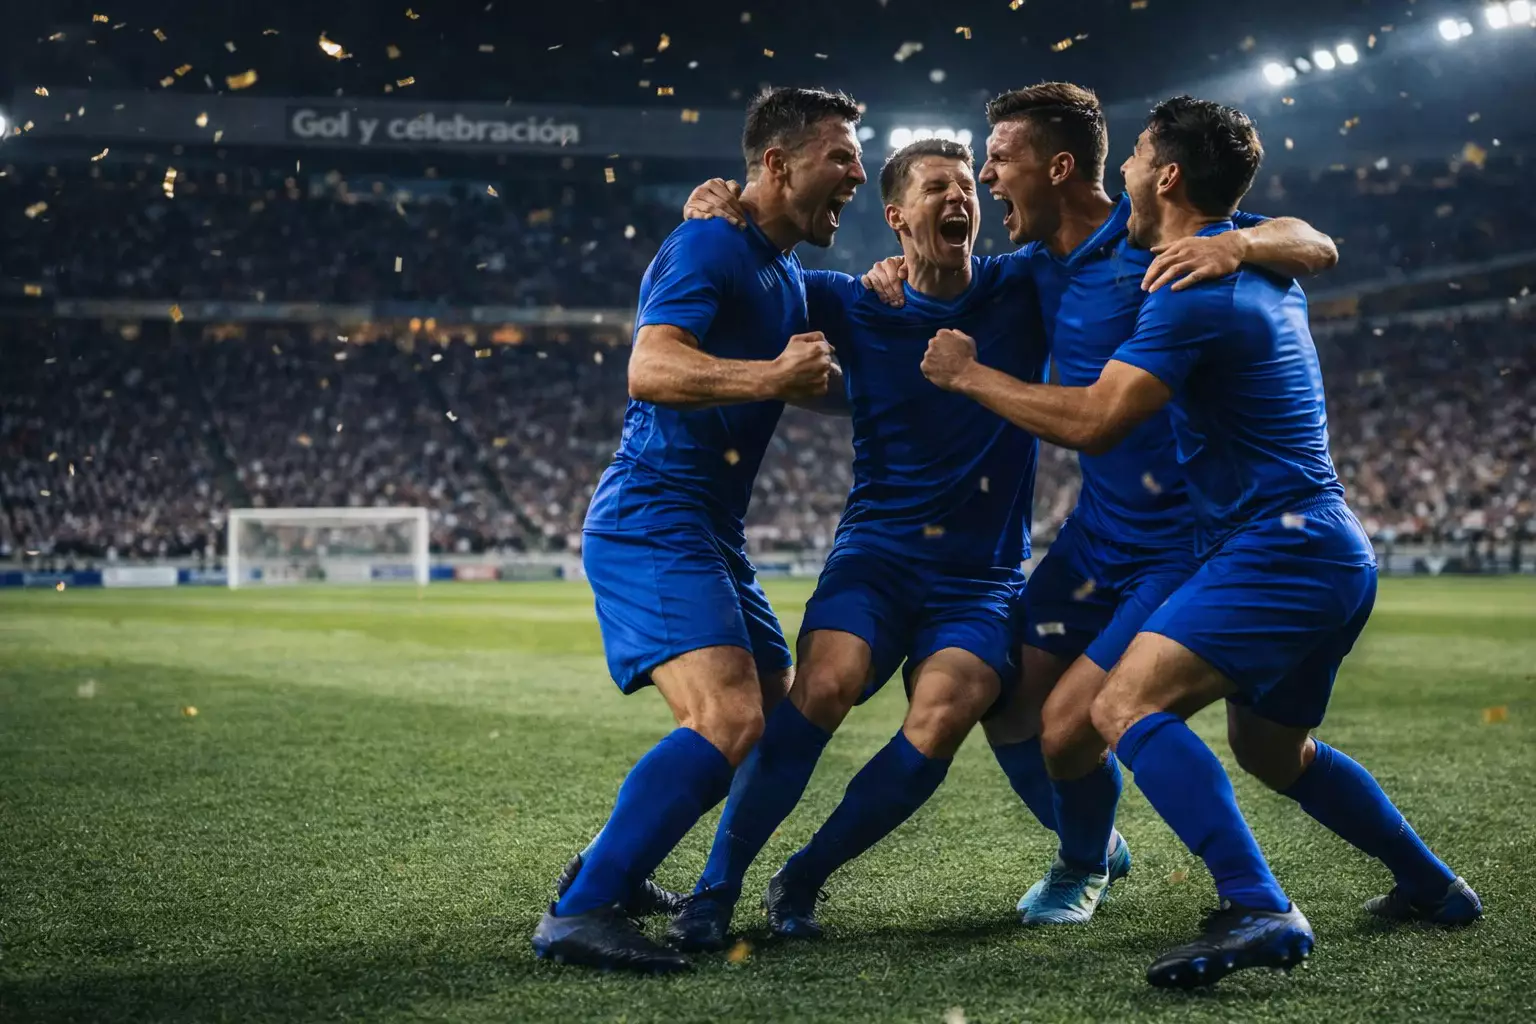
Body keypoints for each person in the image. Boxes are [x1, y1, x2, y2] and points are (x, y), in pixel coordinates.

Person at [917, 94, 1481, 989]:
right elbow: (1306, 243)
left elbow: (1101, 418)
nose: (1127, 170)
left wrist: (971, 375)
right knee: (1270, 752)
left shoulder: (1188, 286)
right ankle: (1431, 885)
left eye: (1138, 155)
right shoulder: (1235, 257)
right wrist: (1245, 240)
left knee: (1117, 712)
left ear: (1168, 175)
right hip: (1321, 546)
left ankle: (1257, 903)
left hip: (1273, 548)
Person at [860, 82, 1340, 927]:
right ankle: (1093, 857)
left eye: (997, 159)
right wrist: (900, 268)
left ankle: (1137, 877)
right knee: (1007, 704)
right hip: (1095, 537)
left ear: (1060, 165)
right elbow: (956, 282)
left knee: (1078, 726)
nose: (983, 176)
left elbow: (1315, 241)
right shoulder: (1035, 267)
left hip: (1180, 542)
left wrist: (1247, 243)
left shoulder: (1160, 241)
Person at [664, 137, 1049, 951]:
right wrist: (713, 213)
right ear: (897, 215)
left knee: (942, 716)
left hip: (980, 577)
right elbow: (749, 273)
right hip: (877, 553)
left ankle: (804, 874)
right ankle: (715, 888)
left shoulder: (1022, 286)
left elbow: (1100, 245)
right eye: (937, 187)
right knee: (826, 687)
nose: (959, 198)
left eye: (965, 188)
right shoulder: (844, 298)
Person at [530, 85, 867, 974]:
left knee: (760, 693)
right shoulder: (708, 242)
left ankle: (617, 866)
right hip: (655, 510)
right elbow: (649, 365)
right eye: (841, 157)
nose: (858, 175)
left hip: (708, 524)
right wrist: (769, 377)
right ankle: (582, 908)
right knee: (727, 713)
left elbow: (817, 368)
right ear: (778, 162)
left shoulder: (782, 270)